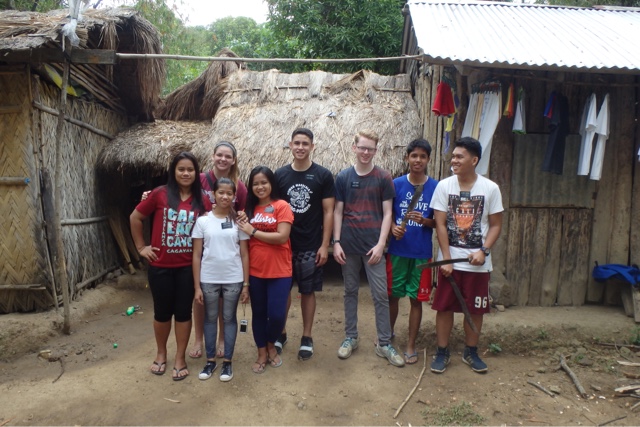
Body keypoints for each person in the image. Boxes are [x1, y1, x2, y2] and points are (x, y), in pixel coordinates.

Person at [142, 142, 247, 360]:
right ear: (213, 156)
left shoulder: (240, 186)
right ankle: (199, 339)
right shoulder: (198, 179)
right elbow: (176, 191)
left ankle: (221, 339)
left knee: (222, 301)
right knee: (200, 299)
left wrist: (243, 216)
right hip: (198, 248)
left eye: (228, 156)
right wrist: (149, 195)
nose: (223, 159)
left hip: (221, 248)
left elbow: (244, 212)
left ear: (234, 160)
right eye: (219, 155)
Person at [130, 151, 211, 381]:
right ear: (173, 172)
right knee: (162, 312)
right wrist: (141, 247)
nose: (186, 173)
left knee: (183, 313)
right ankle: (161, 353)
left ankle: (180, 358)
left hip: (187, 268)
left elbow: (213, 224)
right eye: (181, 169)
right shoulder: (159, 194)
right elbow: (135, 217)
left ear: (196, 173)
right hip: (160, 266)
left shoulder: (202, 200)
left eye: (190, 170)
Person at [430, 137, 503, 374]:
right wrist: (446, 258)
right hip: (450, 262)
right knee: (444, 307)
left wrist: (483, 251)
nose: (454, 160)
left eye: (459, 157)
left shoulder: (490, 188)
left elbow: (496, 225)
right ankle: (442, 352)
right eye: (453, 156)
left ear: (474, 160)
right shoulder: (444, 186)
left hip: (478, 264)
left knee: (476, 309)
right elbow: (440, 225)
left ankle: (471, 352)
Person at [333, 129, 405, 367]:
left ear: (376, 150)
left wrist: (381, 244)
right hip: (348, 245)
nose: (365, 152)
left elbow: (388, 213)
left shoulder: (383, 177)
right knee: (350, 291)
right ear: (354, 148)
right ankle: (350, 337)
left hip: (374, 247)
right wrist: (336, 242)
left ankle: (384, 342)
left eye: (370, 149)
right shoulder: (343, 177)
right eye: (362, 147)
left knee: (380, 295)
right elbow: (338, 211)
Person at [274, 128, 335, 360]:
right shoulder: (280, 175)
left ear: (312, 146)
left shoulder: (323, 175)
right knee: (283, 290)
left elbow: (328, 211)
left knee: (308, 291)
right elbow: (274, 209)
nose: (301, 147)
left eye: (305, 143)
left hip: (311, 244)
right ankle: (281, 332)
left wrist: (325, 245)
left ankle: (307, 336)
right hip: (284, 244)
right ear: (290, 145)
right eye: (297, 143)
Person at [387, 138, 438, 365]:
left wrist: (425, 221)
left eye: (422, 156)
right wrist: (393, 228)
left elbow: (440, 223)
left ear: (428, 160)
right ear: (407, 158)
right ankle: (387, 336)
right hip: (398, 250)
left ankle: (410, 344)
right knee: (393, 296)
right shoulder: (396, 184)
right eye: (414, 156)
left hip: (421, 253)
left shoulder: (436, 187)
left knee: (416, 301)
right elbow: (387, 214)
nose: (418, 160)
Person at [192, 178, 250, 382]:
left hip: (233, 278)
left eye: (229, 193)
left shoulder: (239, 222)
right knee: (209, 317)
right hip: (208, 278)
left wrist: (246, 285)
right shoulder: (203, 221)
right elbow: (196, 255)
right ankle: (210, 361)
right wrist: (197, 286)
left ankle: (227, 362)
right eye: (221, 192)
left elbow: (244, 254)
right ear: (213, 195)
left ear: (234, 196)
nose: (225, 196)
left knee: (229, 318)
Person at [237, 166, 294, 374]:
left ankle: (271, 344)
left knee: (277, 315)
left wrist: (253, 231)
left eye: (264, 182)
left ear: (271, 184)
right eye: (255, 184)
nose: (260, 187)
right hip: (255, 271)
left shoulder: (282, 206)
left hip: (280, 270)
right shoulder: (248, 210)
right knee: (259, 314)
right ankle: (262, 352)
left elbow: (282, 236)